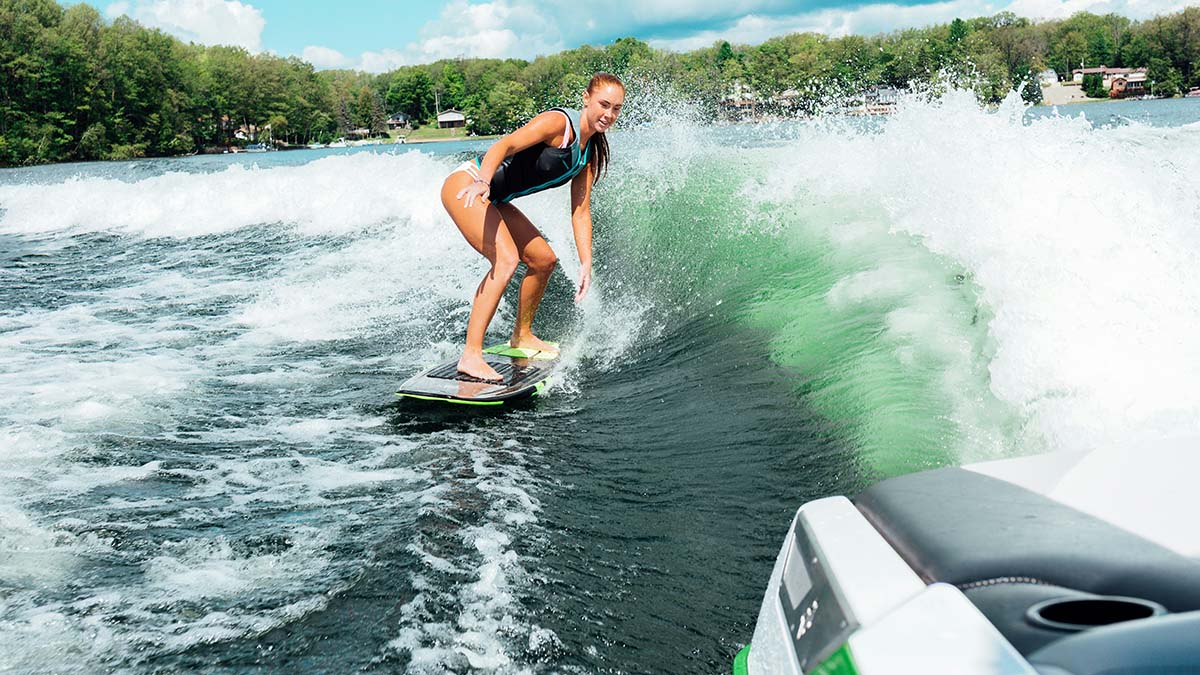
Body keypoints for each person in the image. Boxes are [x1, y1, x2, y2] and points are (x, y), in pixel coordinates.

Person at [441, 73, 625, 381]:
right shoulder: (559, 124)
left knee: (543, 260)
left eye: (616, 108)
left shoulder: (588, 153)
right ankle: (470, 355)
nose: (608, 114)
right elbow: (504, 145)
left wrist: (586, 261)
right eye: (604, 104)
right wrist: (483, 182)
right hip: (468, 185)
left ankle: (522, 336)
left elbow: (580, 211)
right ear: (586, 99)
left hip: (493, 198)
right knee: (507, 259)